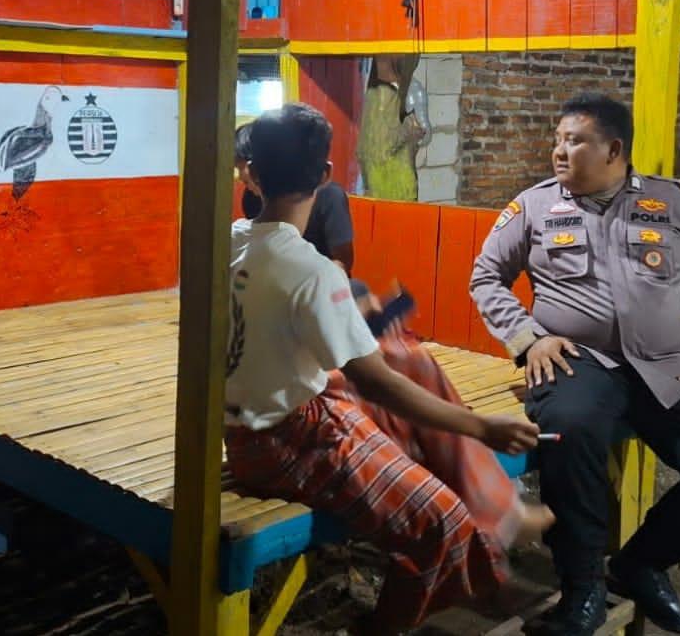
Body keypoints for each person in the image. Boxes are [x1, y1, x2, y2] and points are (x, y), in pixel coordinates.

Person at [225, 104, 547, 634]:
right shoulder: (311, 270)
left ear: (252, 173)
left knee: (407, 359)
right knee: (440, 520)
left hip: (252, 422)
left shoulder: (230, 241)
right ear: (325, 175)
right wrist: (481, 426)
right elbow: (376, 383)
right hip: (287, 440)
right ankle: (397, 621)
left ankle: (497, 528)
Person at [470, 93, 680, 636]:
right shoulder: (533, 207)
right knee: (571, 432)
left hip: (664, 367)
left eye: (575, 141)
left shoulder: (677, 202)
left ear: (613, 149)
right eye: (558, 140)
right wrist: (529, 340)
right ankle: (582, 590)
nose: (560, 151)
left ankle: (640, 564)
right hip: (577, 364)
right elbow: (485, 276)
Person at [236, 121, 355, 271]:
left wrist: (306, 277)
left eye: (242, 166)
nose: (240, 176)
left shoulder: (330, 196)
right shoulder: (250, 199)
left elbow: (343, 261)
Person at [356, 55, 424, 201]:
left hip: (385, 183)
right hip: (393, 185)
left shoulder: (376, 94)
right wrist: (410, 129)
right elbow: (381, 149)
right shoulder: (384, 95)